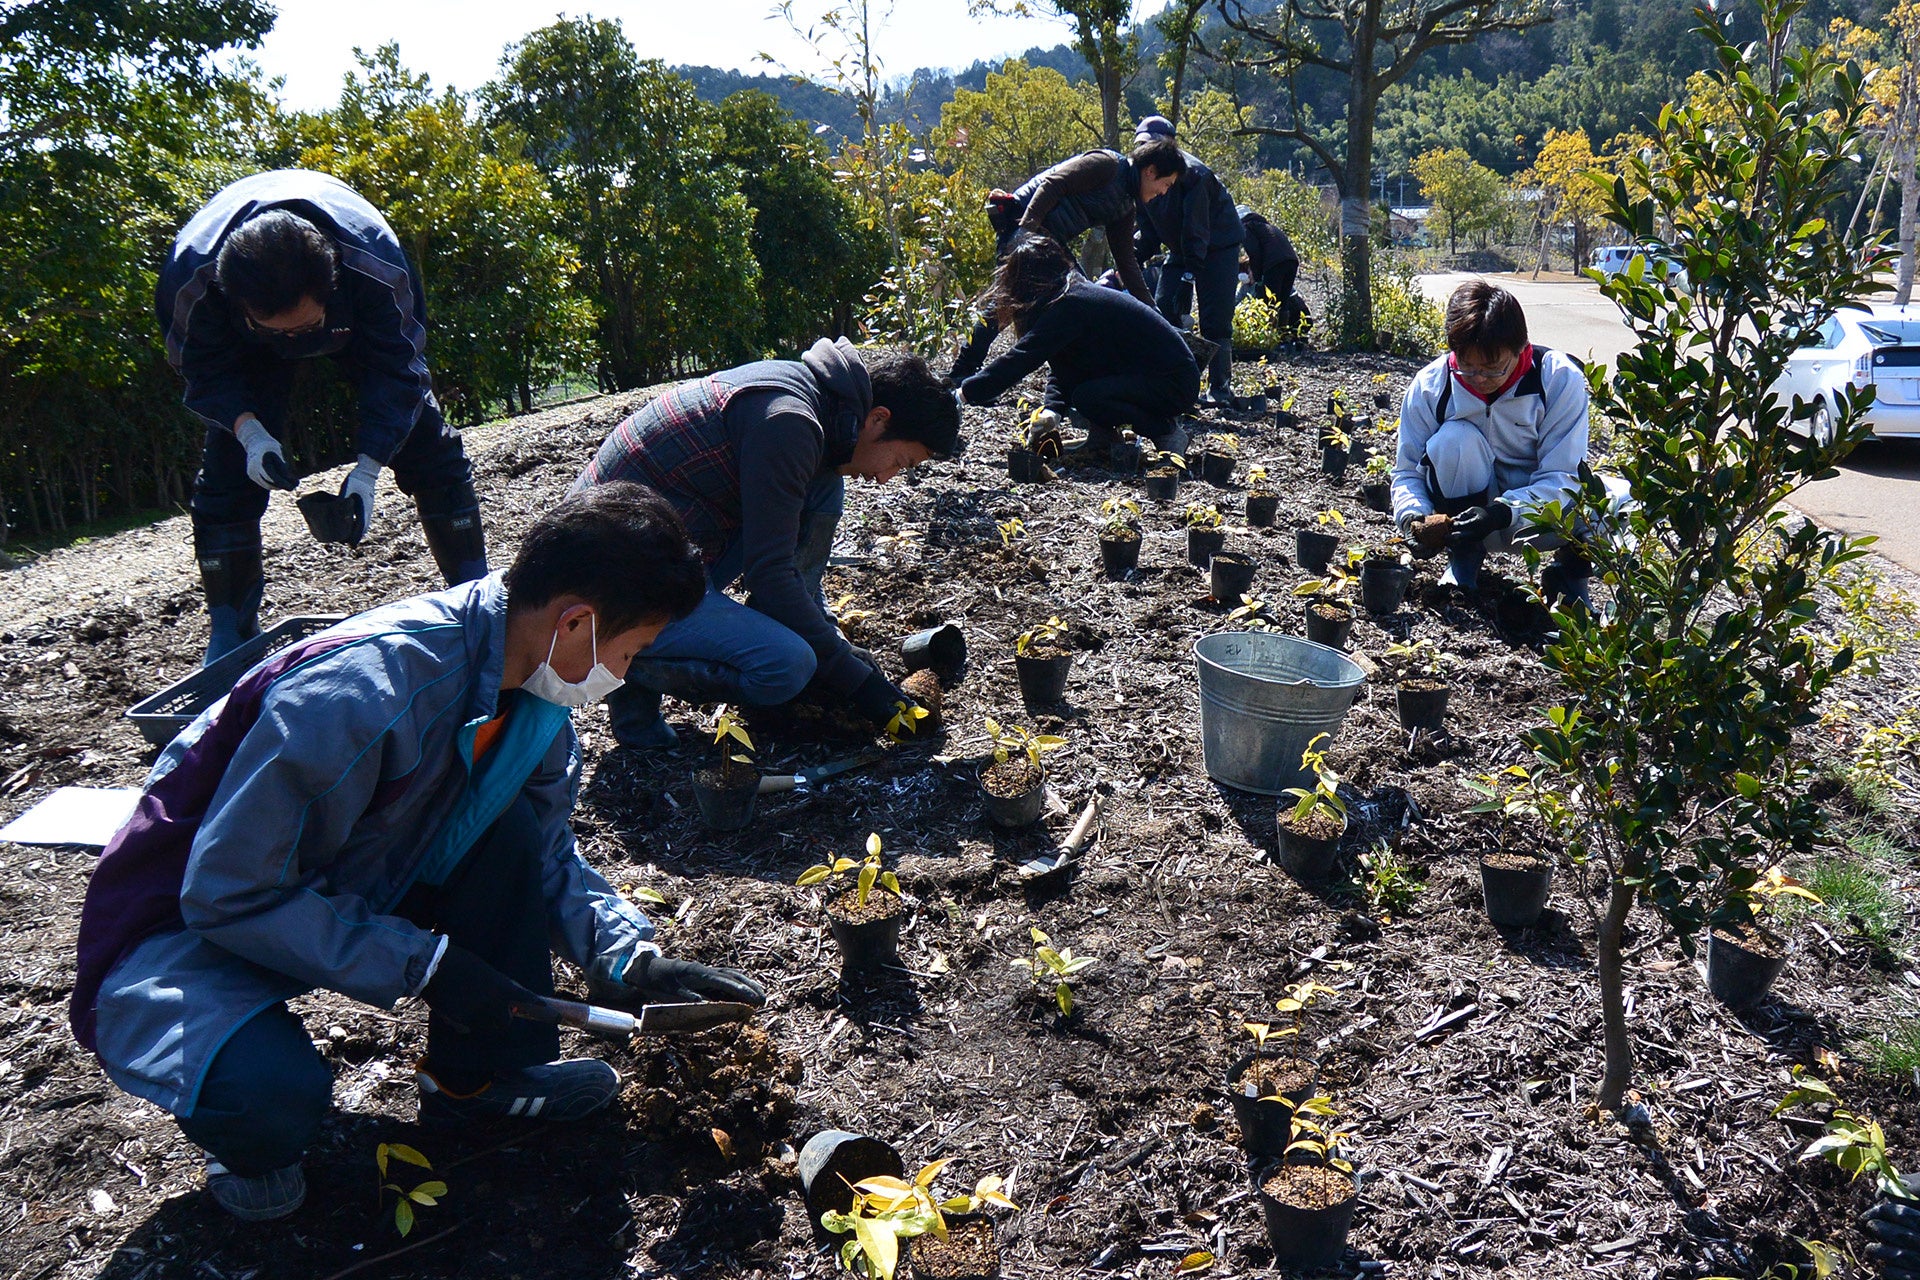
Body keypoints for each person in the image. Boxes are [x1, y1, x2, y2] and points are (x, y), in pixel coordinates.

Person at [68, 483, 762, 1223]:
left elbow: (547, 855)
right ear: (576, 622)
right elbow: (226, 892)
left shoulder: (534, 698)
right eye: (633, 650)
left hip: (348, 875)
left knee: (507, 832)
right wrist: (426, 964)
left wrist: (625, 958)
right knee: (269, 1096)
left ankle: (479, 1081)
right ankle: (244, 1147)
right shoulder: (362, 692)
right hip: (185, 926)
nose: (623, 673)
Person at [160, 169, 489, 665]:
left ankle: (474, 596)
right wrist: (249, 434)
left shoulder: (375, 268)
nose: (295, 343)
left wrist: (368, 470)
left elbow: (397, 373)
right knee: (225, 481)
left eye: (306, 326)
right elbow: (206, 372)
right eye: (278, 330)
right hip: (245, 352)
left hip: (354, 322)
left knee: (430, 447)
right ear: (240, 305)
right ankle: (231, 635)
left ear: (331, 285)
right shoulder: (191, 285)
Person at [571, 339, 962, 749]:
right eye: (900, 463)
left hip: (665, 547)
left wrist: (829, 641)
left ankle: (758, 632)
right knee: (787, 665)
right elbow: (771, 575)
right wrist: (855, 681)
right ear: (879, 419)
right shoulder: (788, 422)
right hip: (607, 580)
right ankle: (623, 657)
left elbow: (784, 566)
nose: (887, 478)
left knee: (825, 488)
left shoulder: (819, 403)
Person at [1391, 280, 1593, 605]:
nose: (1480, 379)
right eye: (1467, 367)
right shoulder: (1432, 385)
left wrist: (1502, 512)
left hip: (1536, 520)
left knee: (1621, 504)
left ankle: (1569, 577)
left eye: (1492, 368)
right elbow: (1407, 471)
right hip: (1465, 521)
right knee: (1453, 440)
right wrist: (1413, 517)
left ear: (1520, 348)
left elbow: (1563, 476)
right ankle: (1464, 560)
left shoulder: (1557, 378)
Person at [946, 138, 1188, 384]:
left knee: (1081, 302)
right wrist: (1024, 234)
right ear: (1150, 171)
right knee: (1006, 306)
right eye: (1166, 183)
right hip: (1022, 223)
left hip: (1051, 241)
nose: (1164, 191)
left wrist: (1153, 312)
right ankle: (963, 373)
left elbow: (1126, 261)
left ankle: (1069, 383)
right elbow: (1053, 184)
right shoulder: (1107, 165)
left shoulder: (1126, 206)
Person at [957, 235, 1201, 459]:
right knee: (1086, 389)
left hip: (1173, 381)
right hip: (1155, 375)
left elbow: (1021, 358)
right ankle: (1102, 438)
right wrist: (1052, 409)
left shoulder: (1071, 303)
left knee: (1088, 397)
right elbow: (1064, 364)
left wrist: (963, 394)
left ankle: (1165, 431)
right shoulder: (1069, 298)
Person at [1131, 116, 1245, 407]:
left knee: (1214, 319)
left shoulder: (1195, 176)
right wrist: (1128, 263)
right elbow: (1147, 233)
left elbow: (1198, 231)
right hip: (1181, 247)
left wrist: (1189, 277)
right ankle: (1173, 384)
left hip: (1218, 245)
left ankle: (1220, 389)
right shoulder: (1143, 176)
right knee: (1163, 306)